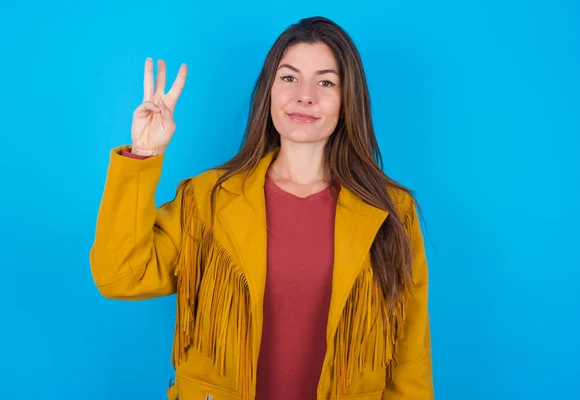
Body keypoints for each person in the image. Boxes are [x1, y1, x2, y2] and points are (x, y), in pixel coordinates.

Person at [90, 16, 433, 400]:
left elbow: (409, 359)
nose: (305, 95)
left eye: (325, 82)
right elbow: (121, 275)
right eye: (289, 78)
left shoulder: (391, 212)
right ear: (268, 91)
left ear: (347, 98)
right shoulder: (207, 198)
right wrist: (143, 155)